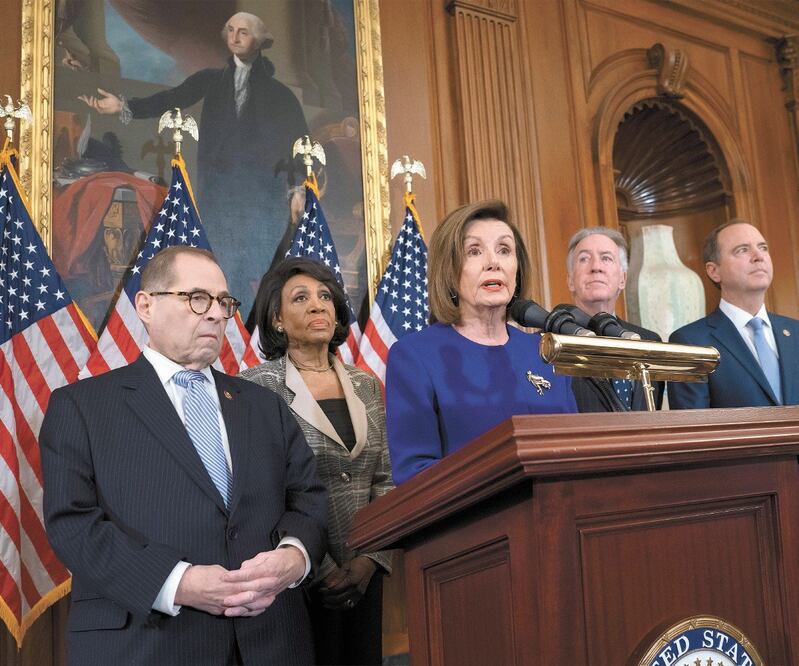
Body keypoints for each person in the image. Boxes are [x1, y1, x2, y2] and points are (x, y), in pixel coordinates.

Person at [40, 246, 327, 665]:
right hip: (146, 643)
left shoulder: (263, 405)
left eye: (224, 303)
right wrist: (178, 582)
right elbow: (73, 525)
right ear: (146, 306)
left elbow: (310, 498)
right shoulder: (82, 407)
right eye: (197, 298)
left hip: (272, 641)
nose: (215, 314)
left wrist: (293, 556)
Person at [79, 11, 309, 315]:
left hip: (262, 199)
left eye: (244, 31)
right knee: (221, 269)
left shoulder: (281, 95)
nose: (235, 36)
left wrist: (297, 189)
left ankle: (255, 341)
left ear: (260, 41)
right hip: (219, 196)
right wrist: (124, 106)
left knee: (262, 274)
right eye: (231, 29)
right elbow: (171, 98)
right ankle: (227, 341)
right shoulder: (210, 80)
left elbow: (299, 144)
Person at [240, 257, 393, 665]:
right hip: (298, 574)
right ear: (276, 319)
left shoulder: (365, 384)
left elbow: (385, 478)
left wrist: (370, 559)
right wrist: (319, 566)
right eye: (301, 298)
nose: (317, 305)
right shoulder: (256, 387)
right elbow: (265, 489)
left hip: (366, 571)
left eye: (325, 296)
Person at [385, 200, 578, 485]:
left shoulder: (544, 352)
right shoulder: (414, 356)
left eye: (504, 250)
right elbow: (414, 474)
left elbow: (575, 449)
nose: (494, 262)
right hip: (474, 524)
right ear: (449, 271)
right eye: (474, 251)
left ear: (517, 268)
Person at [669, 220, 799, 408]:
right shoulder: (691, 342)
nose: (758, 256)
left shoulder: (796, 332)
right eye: (742, 250)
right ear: (714, 271)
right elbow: (693, 431)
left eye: (763, 248)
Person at [565, 227, 664, 412]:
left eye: (606, 258)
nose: (596, 267)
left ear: (622, 279)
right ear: (570, 280)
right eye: (584, 259)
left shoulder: (650, 343)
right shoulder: (548, 343)